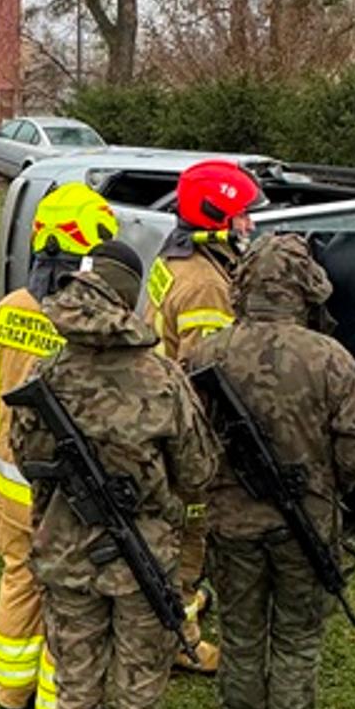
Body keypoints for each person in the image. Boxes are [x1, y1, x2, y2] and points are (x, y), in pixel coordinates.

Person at [11, 239, 221, 709]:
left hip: (64, 554)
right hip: (143, 561)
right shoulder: (162, 378)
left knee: (77, 694)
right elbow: (197, 472)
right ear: (129, 300)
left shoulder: (48, 372)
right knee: (138, 702)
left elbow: (24, 455)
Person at [183, 234, 355, 709]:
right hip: (307, 527)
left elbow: (187, 442)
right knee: (297, 640)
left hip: (231, 527)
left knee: (242, 635)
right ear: (307, 289)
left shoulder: (208, 352)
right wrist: (327, 482)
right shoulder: (330, 359)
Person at [0, 183, 119, 709]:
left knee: (19, 583)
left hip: (10, 487)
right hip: (66, 498)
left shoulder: (5, 312)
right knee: (69, 605)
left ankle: (11, 698)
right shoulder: (88, 322)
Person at [143, 158, 267, 672]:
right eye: (243, 218)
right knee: (189, 531)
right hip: (187, 432)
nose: (251, 226)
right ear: (215, 219)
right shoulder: (206, 287)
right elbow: (208, 376)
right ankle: (179, 637)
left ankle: (184, 602)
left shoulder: (179, 259)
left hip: (160, 411)